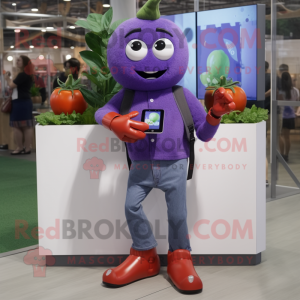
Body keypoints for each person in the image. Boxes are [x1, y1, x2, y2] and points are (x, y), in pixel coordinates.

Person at [95, 0, 236, 294]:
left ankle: (180, 256)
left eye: (160, 47)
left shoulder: (182, 95)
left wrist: (215, 115)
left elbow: (204, 134)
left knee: (178, 215)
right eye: (135, 49)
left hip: (174, 163)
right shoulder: (126, 94)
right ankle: (144, 254)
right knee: (131, 207)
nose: (148, 61)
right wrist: (114, 123)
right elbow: (101, 112)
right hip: (141, 166)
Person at [4, 56, 34, 155]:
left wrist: (7, 78)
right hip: (25, 102)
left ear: (24, 63)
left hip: (19, 102)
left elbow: (12, 85)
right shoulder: (27, 74)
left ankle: (19, 147)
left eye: (19, 60)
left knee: (16, 125)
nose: (16, 61)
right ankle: (27, 148)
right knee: (27, 126)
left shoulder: (22, 74)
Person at [265, 61, 283, 186]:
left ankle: (269, 155)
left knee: (264, 135)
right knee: (275, 135)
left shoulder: (258, 77)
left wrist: (263, 95)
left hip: (262, 111)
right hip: (274, 111)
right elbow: (278, 91)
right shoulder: (274, 77)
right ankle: (275, 155)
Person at [279, 72, 300, 162]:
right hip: (291, 116)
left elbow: (278, 103)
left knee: (280, 136)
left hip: (281, 116)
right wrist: (297, 112)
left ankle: (281, 154)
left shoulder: (280, 90)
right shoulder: (295, 90)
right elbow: (298, 103)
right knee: (287, 137)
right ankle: (286, 155)